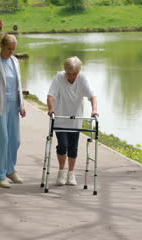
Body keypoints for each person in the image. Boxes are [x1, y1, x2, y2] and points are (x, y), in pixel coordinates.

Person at [0, 34, 26, 188]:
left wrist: (22, 105)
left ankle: (10, 170)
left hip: (14, 106)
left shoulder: (14, 61)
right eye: (9, 49)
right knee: (1, 141)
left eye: (13, 49)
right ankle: (0, 174)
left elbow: (18, 84)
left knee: (15, 140)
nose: (11, 52)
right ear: (1, 46)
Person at [47, 56, 97, 186]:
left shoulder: (82, 79)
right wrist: (51, 109)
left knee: (73, 148)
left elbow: (92, 96)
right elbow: (50, 95)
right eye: (69, 74)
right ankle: (61, 172)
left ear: (78, 72)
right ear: (65, 72)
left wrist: (94, 110)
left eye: (74, 74)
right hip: (61, 119)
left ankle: (71, 174)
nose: (71, 76)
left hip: (75, 120)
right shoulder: (59, 77)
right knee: (63, 145)